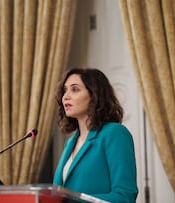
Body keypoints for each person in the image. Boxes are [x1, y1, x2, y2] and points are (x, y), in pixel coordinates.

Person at [53, 68, 138, 202]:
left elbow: (125, 196)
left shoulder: (114, 134)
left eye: (74, 89)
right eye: (65, 90)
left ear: (94, 95)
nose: (65, 96)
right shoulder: (70, 143)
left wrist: (74, 201)